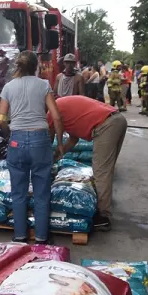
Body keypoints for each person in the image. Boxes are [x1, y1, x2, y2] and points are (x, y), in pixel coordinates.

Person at [0, 51, 63, 243]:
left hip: (16, 140)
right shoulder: (43, 85)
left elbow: (0, 119)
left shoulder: (9, 87)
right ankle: (42, 237)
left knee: (18, 192)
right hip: (40, 140)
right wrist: (59, 143)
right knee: (42, 192)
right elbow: (57, 117)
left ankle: (20, 236)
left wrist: (9, 134)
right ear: (36, 66)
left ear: (18, 66)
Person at [48, 94, 126, 231]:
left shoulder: (53, 110)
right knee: (107, 169)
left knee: (101, 171)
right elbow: (73, 140)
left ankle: (103, 217)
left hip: (106, 125)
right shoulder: (65, 107)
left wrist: (47, 156)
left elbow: (48, 139)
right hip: (117, 120)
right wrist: (58, 155)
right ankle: (105, 204)